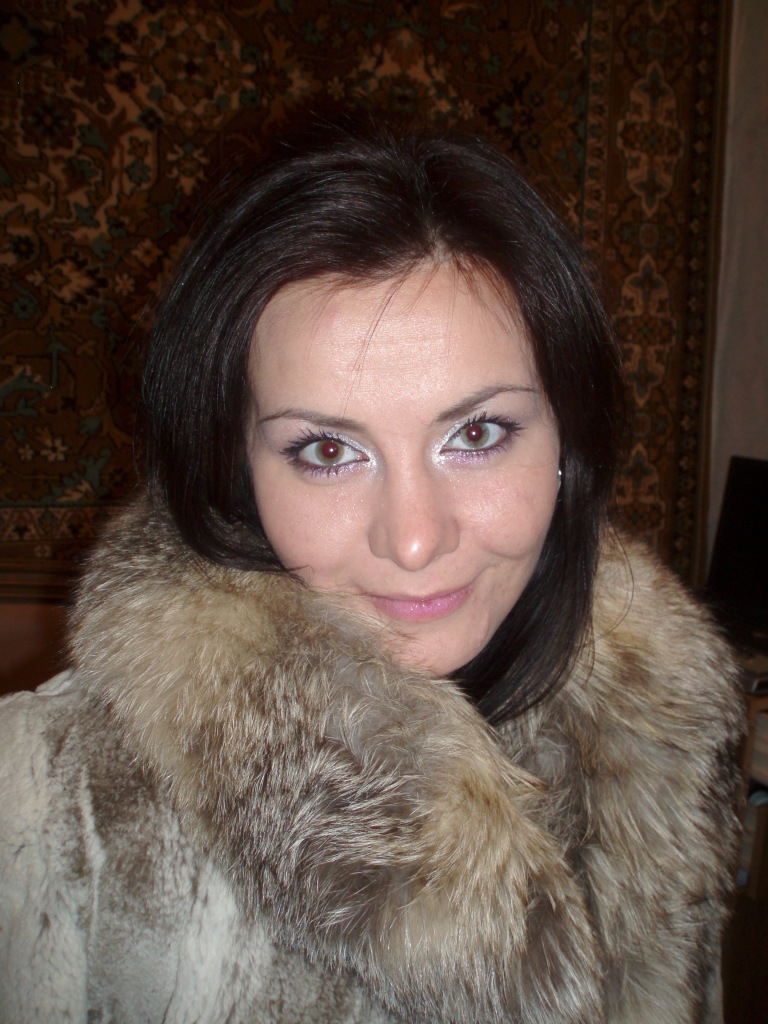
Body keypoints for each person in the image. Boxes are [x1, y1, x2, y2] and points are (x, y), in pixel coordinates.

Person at [0, 123, 743, 1024]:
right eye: (326, 450)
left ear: (568, 442)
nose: (415, 540)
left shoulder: (666, 740)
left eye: (477, 434)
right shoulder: (43, 800)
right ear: (235, 471)